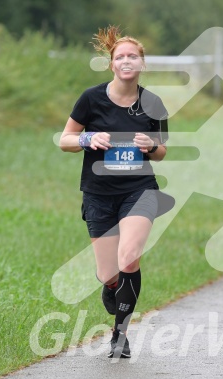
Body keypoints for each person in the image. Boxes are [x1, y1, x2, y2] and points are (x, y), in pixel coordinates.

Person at [59, 26, 173, 358]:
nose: (126, 60)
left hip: (139, 190)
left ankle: (120, 335)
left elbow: (162, 150)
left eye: (132, 56)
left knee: (129, 257)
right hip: (98, 194)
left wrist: (151, 145)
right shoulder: (90, 98)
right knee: (109, 273)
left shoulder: (153, 103)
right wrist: (86, 139)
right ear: (112, 64)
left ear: (142, 63)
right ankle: (112, 287)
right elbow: (64, 139)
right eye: (120, 56)